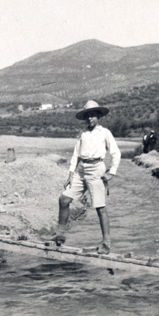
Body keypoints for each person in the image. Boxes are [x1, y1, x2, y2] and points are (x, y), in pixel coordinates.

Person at [50, 100, 121, 255]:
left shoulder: (105, 133)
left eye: (93, 115)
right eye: (87, 116)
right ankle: (60, 234)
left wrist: (111, 172)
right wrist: (70, 174)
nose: (90, 119)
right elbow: (76, 154)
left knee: (100, 208)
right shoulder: (82, 134)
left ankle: (106, 243)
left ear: (98, 116)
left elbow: (116, 153)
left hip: (97, 170)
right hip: (81, 170)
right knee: (64, 200)